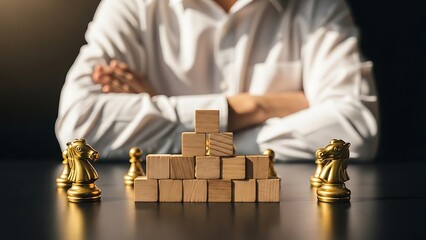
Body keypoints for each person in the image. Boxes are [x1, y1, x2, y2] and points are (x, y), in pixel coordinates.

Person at [56, 0, 379, 161]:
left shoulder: (318, 6)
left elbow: (354, 130)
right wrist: (256, 106)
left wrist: (163, 115)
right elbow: (79, 127)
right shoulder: (131, 5)